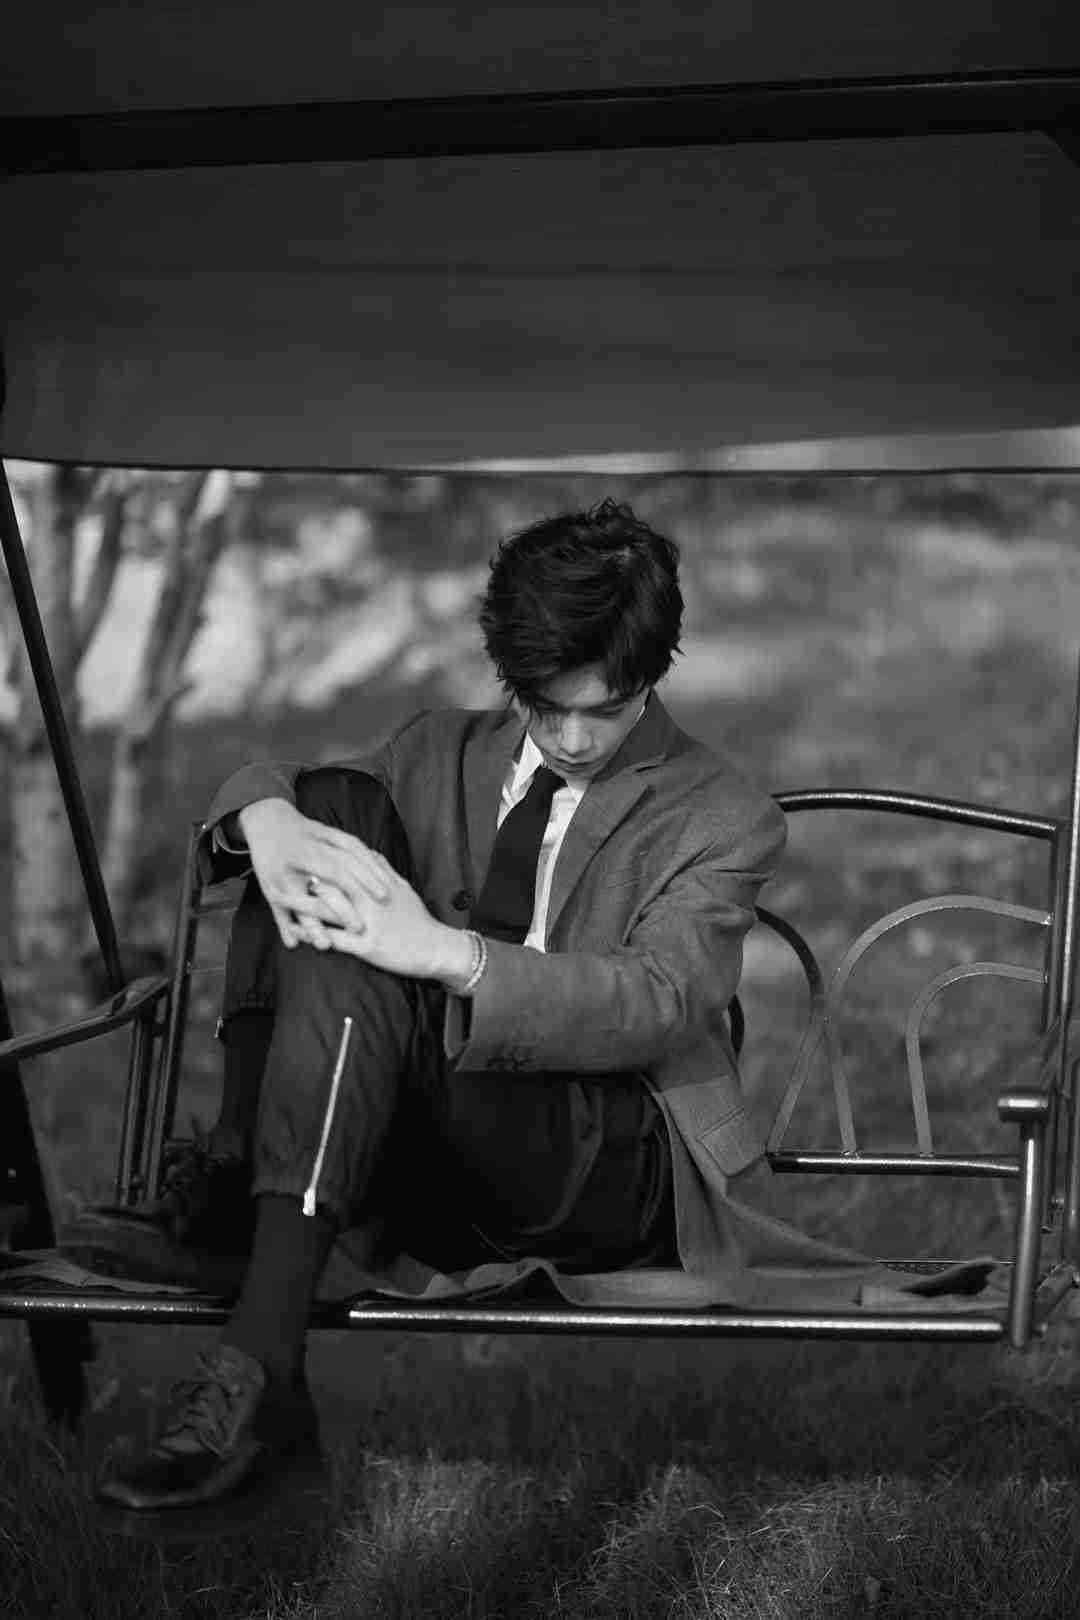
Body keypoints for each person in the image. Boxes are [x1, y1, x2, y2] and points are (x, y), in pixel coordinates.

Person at [95, 497, 787, 1514]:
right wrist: (265, 821)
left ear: (655, 672)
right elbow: (298, 804)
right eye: (544, 705)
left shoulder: (721, 812)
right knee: (327, 810)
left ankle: (254, 1306)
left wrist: (445, 955)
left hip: (601, 1157)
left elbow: (660, 1001)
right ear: (510, 677)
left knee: (367, 932)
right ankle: (258, 1295)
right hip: (420, 1140)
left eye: (605, 710)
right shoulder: (438, 749)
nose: (572, 737)